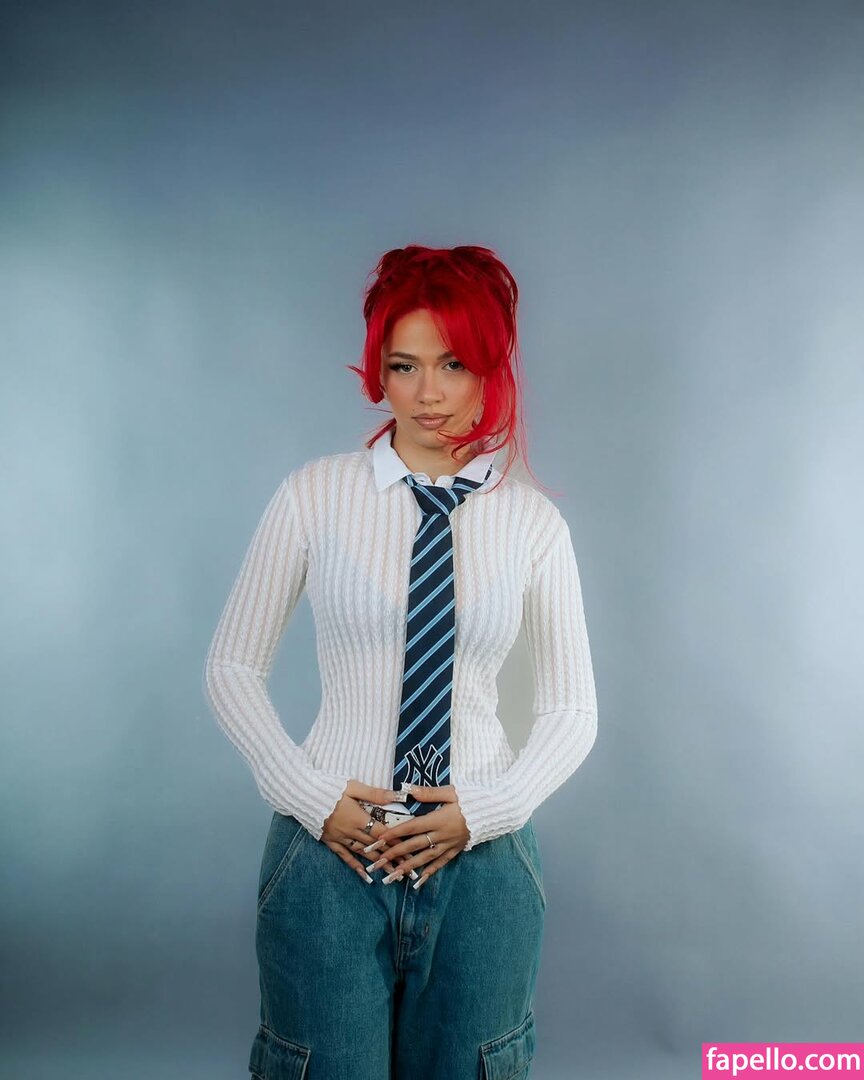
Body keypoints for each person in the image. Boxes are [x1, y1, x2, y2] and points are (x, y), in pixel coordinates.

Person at [202, 244, 598, 1080]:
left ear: (491, 368)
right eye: (403, 365)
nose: (428, 393)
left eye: (453, 364)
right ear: (378, 371)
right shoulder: (313, 496)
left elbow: (572, 712)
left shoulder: (532, 525)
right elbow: (231, 666)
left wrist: (490, 808)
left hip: (481, 867)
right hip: (329, 858)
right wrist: (309, 795)